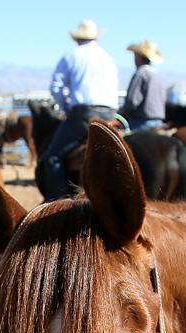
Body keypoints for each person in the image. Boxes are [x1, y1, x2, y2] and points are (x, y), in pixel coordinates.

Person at [39, 19, 119, 201]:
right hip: (110, 114)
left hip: (83, 114)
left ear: (77, 38)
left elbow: (56, 87)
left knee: (52, 157)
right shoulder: (108, 58)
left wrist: (67, 107)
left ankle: (58, 202)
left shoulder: (71, 56)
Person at [119, 39, 165, 131]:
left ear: (139, 56)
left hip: (141, 122)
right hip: (158, 121)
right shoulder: (156, 73)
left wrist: (121, 112)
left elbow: (132, 101)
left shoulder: (141, 73)